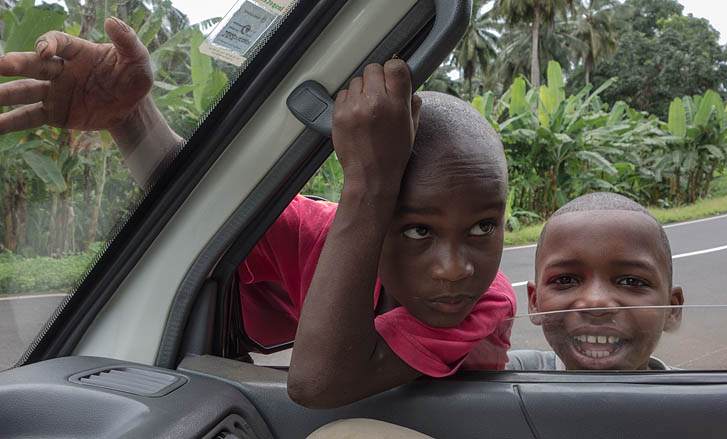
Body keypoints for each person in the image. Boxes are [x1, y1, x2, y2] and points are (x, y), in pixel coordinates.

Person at [0, 18, 516, 409]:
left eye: (484, 227)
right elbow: (207, 206)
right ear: (374, 219)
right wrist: (130, 118)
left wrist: (372, 182)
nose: (455, 268)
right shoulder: (322, 233)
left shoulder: (482, 302)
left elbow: (318, 382)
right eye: (419, 229)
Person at [506, 192, 684, 371]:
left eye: (632, 281)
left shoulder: (700, 395)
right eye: (565, 279)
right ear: (534, 301)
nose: (596, 302)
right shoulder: (507, 372)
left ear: (672, 308)